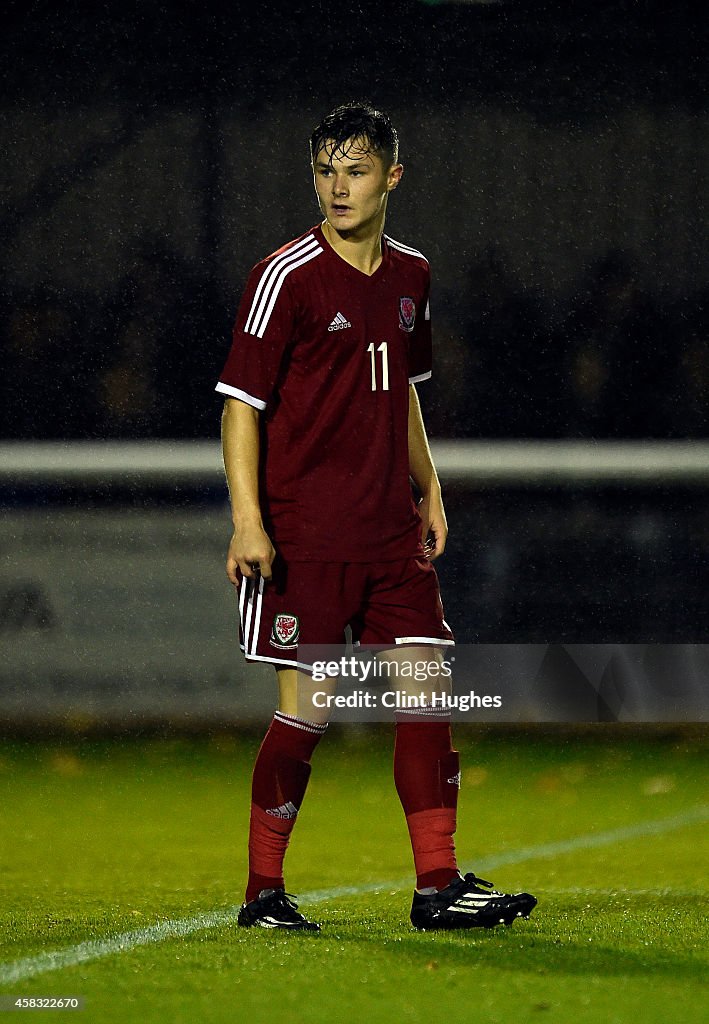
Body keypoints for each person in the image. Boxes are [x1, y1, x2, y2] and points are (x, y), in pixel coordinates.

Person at [216, 102, 536, 932]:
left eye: (355, 170)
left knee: (428, 697)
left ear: (391, 176)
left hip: (390, 534)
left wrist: (427, 485)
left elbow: (401, 394)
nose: (337, 186)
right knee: (310, 712)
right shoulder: (284, 274)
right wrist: (248, 521)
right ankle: (263, 893)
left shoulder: (411, 274)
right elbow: (240, 407)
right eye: (325, 170)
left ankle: (437, 885)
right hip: (305, 537)